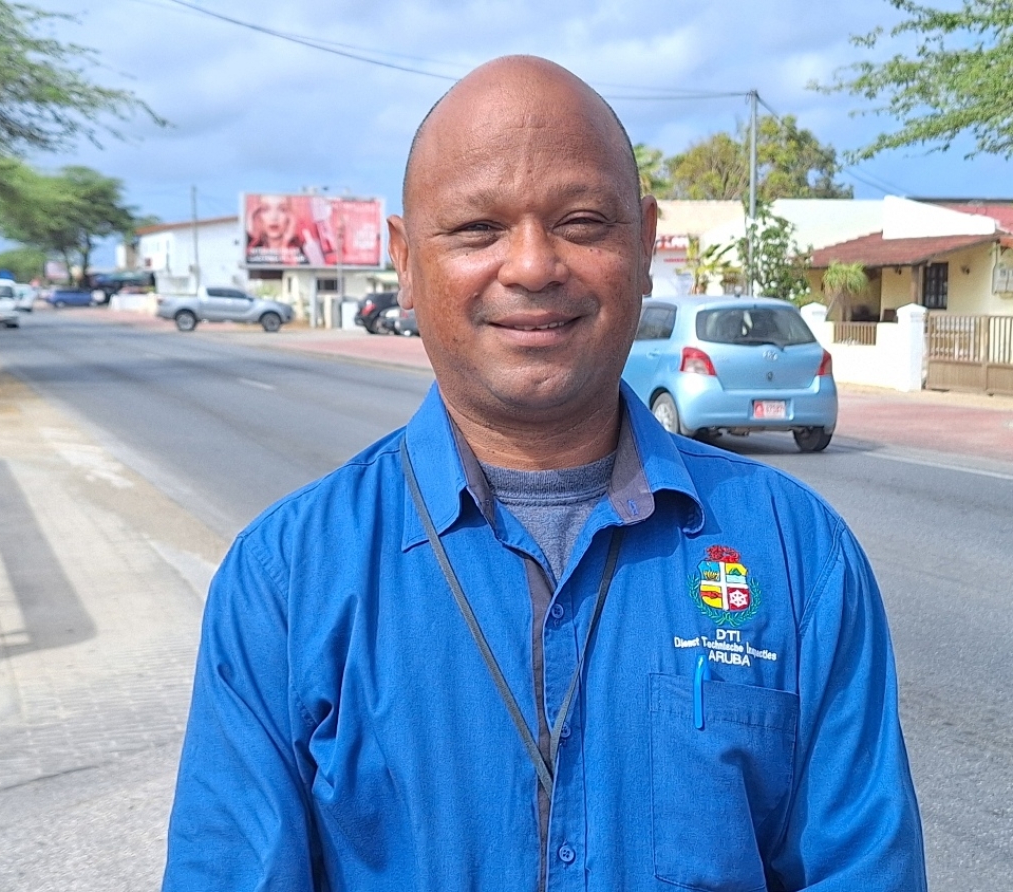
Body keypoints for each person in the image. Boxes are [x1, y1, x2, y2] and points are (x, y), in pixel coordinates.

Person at [165, 56, 926, 891]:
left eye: (583, 221)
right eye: (477, 230)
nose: (532, 266)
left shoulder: (799, 555)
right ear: (406, 265)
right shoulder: (284, 580)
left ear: (642, 244)